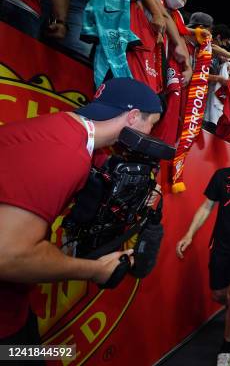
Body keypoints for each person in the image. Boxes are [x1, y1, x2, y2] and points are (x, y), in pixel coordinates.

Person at [0, 77, 162, 345]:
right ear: (133, 117)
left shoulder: (64, 130)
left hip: (14, 309)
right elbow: (9, 256)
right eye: (151, 125)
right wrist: (94, 271)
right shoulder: (64, 154)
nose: (150, 134)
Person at [176, 139, 230, 366]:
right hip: (221, 246)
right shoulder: (221, 176)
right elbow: (207, 207)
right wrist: (189, 234)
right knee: (219, 295)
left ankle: (226, 348)